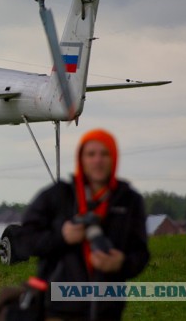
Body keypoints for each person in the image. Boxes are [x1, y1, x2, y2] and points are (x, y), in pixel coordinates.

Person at [16, 129, 150, 321]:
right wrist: (61, 237)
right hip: (58, 310)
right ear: (81, 159)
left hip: (108, 310)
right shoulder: (58, 196)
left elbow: (141, 253)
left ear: (114, 158)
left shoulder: (129, 201)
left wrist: (121, 263)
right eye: (91, 154)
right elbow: (24, 240)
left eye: (105, 154)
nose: (98, 160)